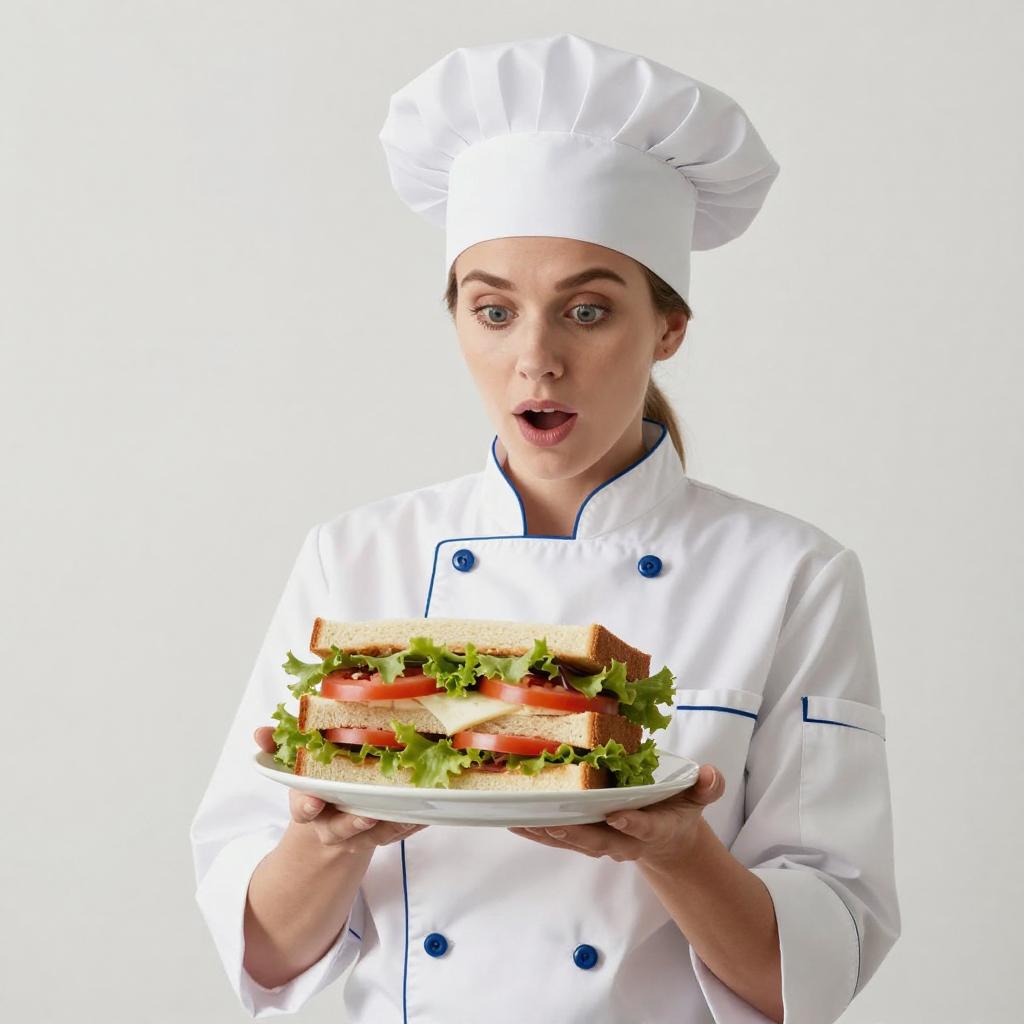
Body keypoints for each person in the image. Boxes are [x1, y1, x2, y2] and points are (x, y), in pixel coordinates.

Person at [190, 32, 900, 1023]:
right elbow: (261, 953)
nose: (536, 360)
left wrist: (676, 847)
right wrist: (330, 836)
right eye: (493, 311)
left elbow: (814, 970)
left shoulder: (792, 574)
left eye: (586, 310)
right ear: (456, 322)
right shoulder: (353, 558)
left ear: (668, 327)